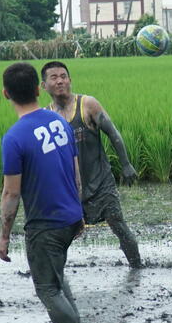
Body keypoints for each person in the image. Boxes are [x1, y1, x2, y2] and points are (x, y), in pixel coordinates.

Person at [0, 61, 95, 323]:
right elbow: (75, 173)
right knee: (57, 277)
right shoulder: (59, 123)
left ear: (6, 94)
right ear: (39, 89)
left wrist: (4, 236)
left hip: (45, 225)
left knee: (47, 289)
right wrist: (79, 213)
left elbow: (11, 195)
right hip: (70, 217)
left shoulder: (14, 137)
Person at [41, 61, 142, 268]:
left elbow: (113, 133)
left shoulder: (87, 104)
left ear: (70, 79)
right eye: (54, 77)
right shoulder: (46, 117)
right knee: (61, 235)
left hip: (101, 182)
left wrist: (126, 164)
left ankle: (137, 267)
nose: (60, 80)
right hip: (69, 189)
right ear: (44, 86)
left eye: (63, 76)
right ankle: (54, 276)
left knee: (119, 225)